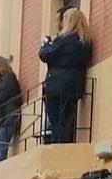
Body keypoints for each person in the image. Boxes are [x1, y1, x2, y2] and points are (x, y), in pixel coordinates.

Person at [39, 10, 92, 145]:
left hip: (57, 86)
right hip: (75, 86)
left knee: (56, 121)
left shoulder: (65, 40)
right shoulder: (85, 42)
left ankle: (58, 148)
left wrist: (46, 44)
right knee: (68, 120)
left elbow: (45, 55)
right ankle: (65, 145)